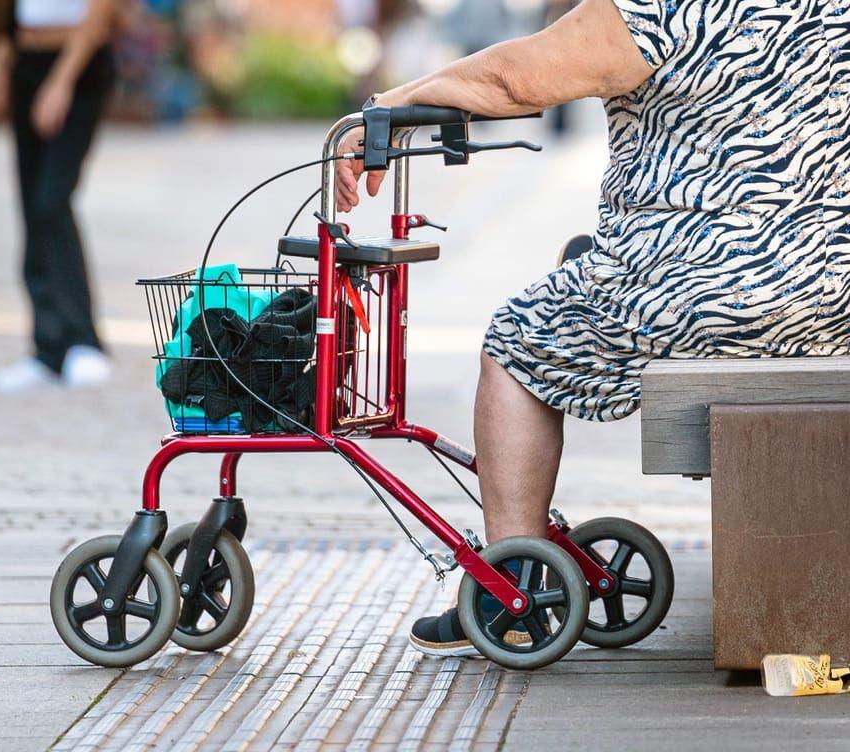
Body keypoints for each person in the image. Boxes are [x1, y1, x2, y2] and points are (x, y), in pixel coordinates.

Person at [333, 0, 850, 657]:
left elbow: (518, 79)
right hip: (830, 297)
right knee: (578, 273)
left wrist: (391, 105)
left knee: (518, 341)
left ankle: (507, 594)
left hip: (697, 291)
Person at [0, 0, 118, 393]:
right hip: (26, 63)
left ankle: (83, 340)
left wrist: (61, 81)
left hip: (77, 66)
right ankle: (47, 348)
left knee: (52, 201)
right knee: (31, 203)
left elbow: (102, 15)